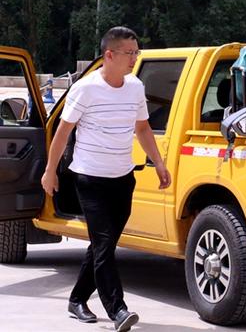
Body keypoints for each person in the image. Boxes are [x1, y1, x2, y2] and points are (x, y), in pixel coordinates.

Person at [40, 26, 171, 332]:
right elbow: (62, 132)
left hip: (123, 178)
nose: (134, 59)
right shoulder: (86, 88)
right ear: (109, 55)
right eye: (129, 53)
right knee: (103, 243)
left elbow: (142, 128)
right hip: (89, 179)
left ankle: (76, 299)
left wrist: (159, 163)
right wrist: (49, 170)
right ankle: (119, 310)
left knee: (104, 245)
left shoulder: (135, 87)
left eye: (137, 53)